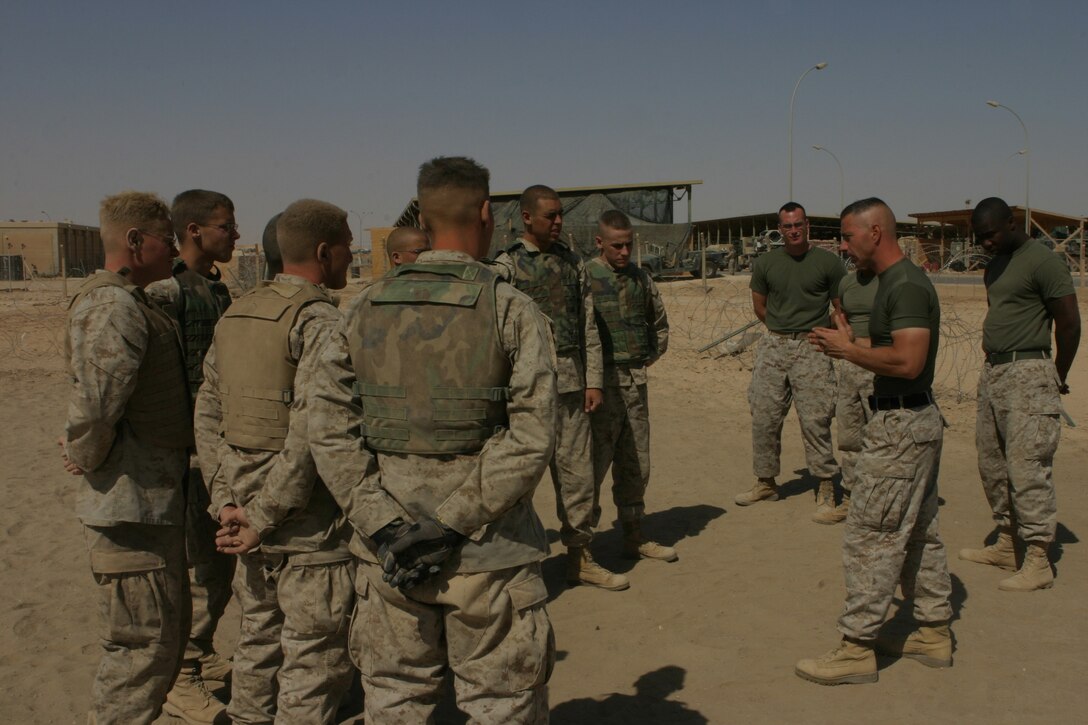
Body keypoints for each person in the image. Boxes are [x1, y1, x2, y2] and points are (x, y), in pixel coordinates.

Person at [316, 156, 557, 723]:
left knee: (395, 701)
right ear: (485, 213)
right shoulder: (511, 307)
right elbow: (532, 434)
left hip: (389, 559)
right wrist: (450, 524)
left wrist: (383, 524)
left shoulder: (361, 308)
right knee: (501, 706)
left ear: (421, 218)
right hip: (487, 558)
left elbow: (326, 428)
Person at [192, 199, 358, 724]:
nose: (352, 256)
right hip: (304, 529)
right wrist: (264, 516)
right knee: (314, 659)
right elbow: (314, 432)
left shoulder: (236, 313)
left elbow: (208, 412)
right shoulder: (320, 321)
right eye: (348, 246)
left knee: (257, 641)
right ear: (325, 252)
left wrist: (226, 502)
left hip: (241, 518)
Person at [798, 197, 952, 685]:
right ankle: (932, 632)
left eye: (847, 236)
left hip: (901, 427)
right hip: (911, 421)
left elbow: (907, 363)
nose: (843, 246)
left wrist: (848, 350)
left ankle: (856, 646)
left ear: (876, 233)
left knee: (871, 535)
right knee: (918, 532)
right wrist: (852, 347)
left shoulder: (904, 286)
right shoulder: (895, 283)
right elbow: (895, 355)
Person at [59, 191, 193, 723]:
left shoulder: (132, 300)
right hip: (128, 505)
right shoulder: (112, 306)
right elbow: (95, 406)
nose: (176, 251)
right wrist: (84, 455)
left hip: (147, 504)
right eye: (169, 239)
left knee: (158, 645)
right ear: (135, 241)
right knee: (139, 652)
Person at [493, 185, 626, 590]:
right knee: (519, 480)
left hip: (571, 389)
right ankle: (519, 565)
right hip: (525, 392)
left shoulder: (574, 264)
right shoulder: (506, 267)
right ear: (527, 218)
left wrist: (593, 381)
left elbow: (588, 325)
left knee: (578, 478)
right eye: (550, 216)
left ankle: (580, 556)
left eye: (560, 215)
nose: (558, 222)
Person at [145, 189, 238, 723]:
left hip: (212, 451)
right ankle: (181, 676)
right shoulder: (167, 291)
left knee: (216, 569)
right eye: (226, 226)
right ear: (196, 230)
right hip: (183, 457)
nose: (236, 235)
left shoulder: (215, 288)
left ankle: (198, 656)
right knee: (198, 572)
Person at [959, 197, 1080, 591]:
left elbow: (1069, 323)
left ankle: (1038, 559)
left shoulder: (1043, 261)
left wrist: (1055, 375)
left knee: (1027, 468)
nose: (985, 244)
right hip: (994, 373)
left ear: (1011, 224)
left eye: (990, 235)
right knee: (992, 464)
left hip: (1030, 372)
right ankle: (1009, 543)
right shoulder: (995, 266)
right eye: (980, 237)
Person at [736, 202, 844, 523]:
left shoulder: (829, 263)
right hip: (774, 346)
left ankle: (825, 484)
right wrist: (780, 329)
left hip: (812, 346)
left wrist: (823, 334)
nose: (793, 230)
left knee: (815, 418)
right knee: (765, 415)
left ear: (807, 225)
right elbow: (759, 305)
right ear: (779, 229)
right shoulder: (767, 263)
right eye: (787, 226)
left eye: (798, 224)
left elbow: (841, 307)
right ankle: (766, 481)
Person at [586, 210, 677, 562]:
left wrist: (646, 358)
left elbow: (660, 322)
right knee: (590, 468)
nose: (624, 252)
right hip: (597, 389)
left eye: (628, 245)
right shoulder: (586, 277)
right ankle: (582, 546)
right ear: (600, 242)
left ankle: (634, 534)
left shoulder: (641, 279)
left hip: (635, 384)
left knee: (636, 462)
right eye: (616, 246)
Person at [831, 262, 880, 524]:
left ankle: (876, 500)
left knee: (881, 437)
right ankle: (851, 497)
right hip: (850, 366)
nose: (850, 250)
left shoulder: (890, 281)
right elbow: (841, 314)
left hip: (878, 366)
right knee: (849, 435)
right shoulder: (847, 283)